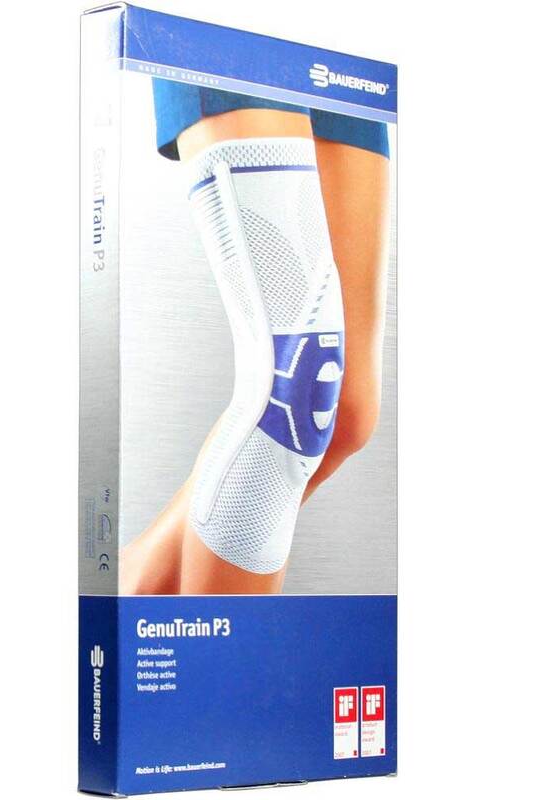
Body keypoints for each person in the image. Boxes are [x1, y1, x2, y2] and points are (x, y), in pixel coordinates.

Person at [121, 82, 391, 595]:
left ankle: (124, 592)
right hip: (238, 42)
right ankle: (223, 644)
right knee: (291, 400)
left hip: (342, 54)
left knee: (348, 414)